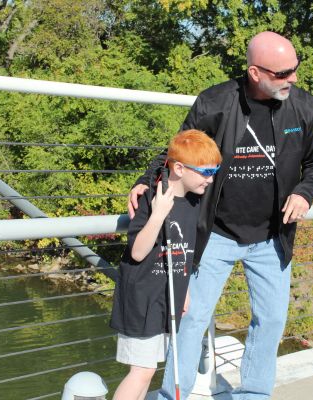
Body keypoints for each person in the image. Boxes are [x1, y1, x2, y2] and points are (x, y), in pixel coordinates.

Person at [129, 31, 313, 399]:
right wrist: (145, 182)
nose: (293, 79)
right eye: (283, 73)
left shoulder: (304, 107)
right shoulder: (216, 102)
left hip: (273, 237)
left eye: (295, 69)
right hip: (215, 234)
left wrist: (304, 192)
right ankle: (174, 394)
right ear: (255, 72)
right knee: (191, 318)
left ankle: (254, 394)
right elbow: (177, 152)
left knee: (271, 320)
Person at [110, 129, 222, 400]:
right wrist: (159, 213)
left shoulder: (194, 200)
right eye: (206, 172)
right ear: (181, 168)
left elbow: (183, 251)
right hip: (141, 298)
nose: (210, 179)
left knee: (148, 371)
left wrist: (183, 292)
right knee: (141, 372)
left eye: (215, 171)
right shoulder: (152, 196)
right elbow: (137, 252)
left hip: (166, 296)